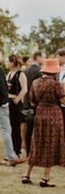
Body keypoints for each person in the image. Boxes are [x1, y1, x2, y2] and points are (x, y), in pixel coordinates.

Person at [22, 59, 65, 187]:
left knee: (36, 143)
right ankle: (45, 177)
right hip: (54, 116)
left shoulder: (35, 83)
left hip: (40, 115)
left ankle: (26, 174)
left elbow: (33, 102)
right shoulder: (57, 85)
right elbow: (63, 101)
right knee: (51, 144)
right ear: (54, 72)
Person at [5, 54, 28, 157]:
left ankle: (17, 151)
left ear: (12, 62)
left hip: (16, 104)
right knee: (10, 128)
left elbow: (24, 89)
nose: (5, 63)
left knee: (16, 128)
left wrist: (16, 100)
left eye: (7, 61)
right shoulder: (9, 74)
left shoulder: (20, 74)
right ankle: (12, 150)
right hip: (8, 103)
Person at [23, 51, 44, 153]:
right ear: (38, 57)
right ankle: (37, 151)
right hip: (36, 104)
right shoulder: (40, 71)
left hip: (26, 103)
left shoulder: (26, 71)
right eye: (43, 57)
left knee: (29, 129)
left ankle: (28, 151)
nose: (44, 59)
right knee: (38, 129)